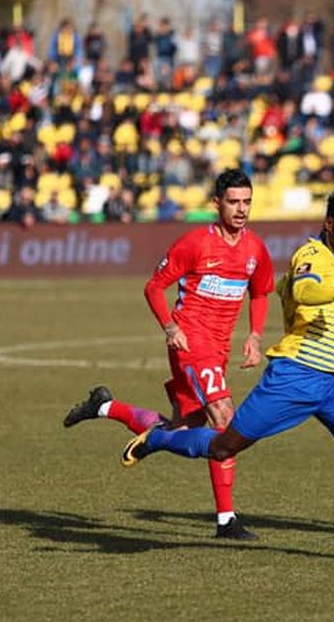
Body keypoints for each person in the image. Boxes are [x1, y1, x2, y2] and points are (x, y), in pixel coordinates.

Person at [120, 190, 334, 530]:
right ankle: (157, 438)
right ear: (329, 223)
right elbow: (306, 288)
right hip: (295, 376)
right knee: (222, 447)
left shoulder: (333, 262)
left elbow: (285, 288)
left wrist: (332, 310)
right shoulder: (311, 254)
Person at [64, 169, 274, 540]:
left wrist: (255, 336)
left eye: (246, 202)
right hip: (192, 344)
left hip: (219, 349)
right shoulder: (194, 244)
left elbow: (260, 293)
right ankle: (226, 521)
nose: (241, 209)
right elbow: (154, 287)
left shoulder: (255, 249)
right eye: (233, 202)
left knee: (184, 427)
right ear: (217, 204)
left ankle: (106, 407)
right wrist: (170, 327)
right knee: (225, 420)